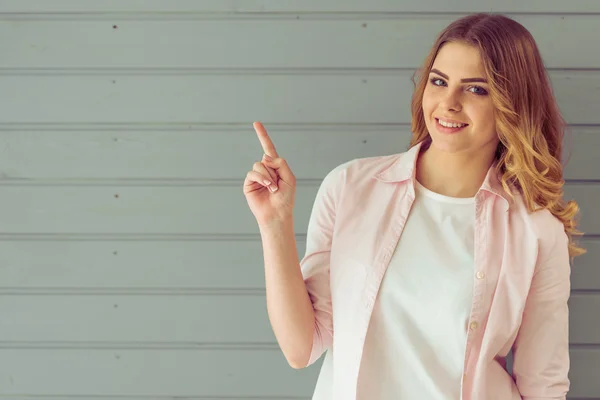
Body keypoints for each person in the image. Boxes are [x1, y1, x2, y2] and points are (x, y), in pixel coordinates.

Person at [243, 12, 585, 400]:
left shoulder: (536, 230)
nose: (448, 103)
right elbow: (301, 347)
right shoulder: (350, 187)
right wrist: (274, 223)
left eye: (476, 89)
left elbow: (543, 384)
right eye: (439, 82)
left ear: (513, 103)